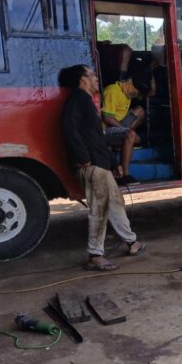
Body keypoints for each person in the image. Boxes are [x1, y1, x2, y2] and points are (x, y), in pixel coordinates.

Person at [60, 64, 147, 271]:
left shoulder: (86, 102)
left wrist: (114, 163)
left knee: (115, 203)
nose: (96, 78)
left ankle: (131, 242)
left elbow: (97, 139)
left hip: (101, 164)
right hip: (92, 167)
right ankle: (95, 255)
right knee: (100, 209)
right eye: (91, 75)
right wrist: (83, 158)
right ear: (82, 80)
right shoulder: (77, 99)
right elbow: (68, 129)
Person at [102, 70, 152, 183]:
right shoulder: (113, 91)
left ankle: (123, 142)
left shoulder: (127, 93)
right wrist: (127, 131)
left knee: (140, 111)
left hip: (117, 126)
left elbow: (152, 91)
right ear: (129, 82)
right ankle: (125, 174)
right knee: (131, 135)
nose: (136, 95)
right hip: (105, 130)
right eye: (136, 91)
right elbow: (107, 118)